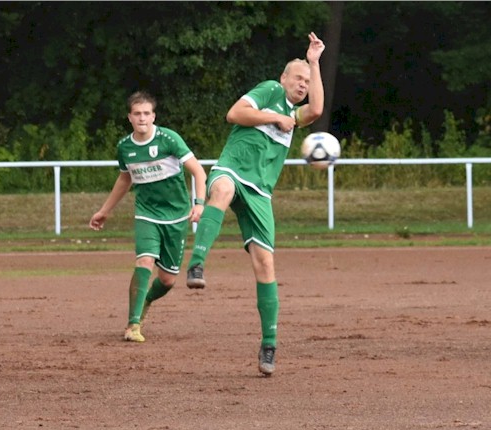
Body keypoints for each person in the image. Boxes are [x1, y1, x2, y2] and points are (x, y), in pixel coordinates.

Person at [185, 32, 326, 376]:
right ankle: (197, 265)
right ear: (283, 79)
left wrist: (315, 62)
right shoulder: (271, 92)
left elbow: (318, 110)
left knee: (265, 265)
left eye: (307, 81)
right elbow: (234, 114)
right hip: (232, 169)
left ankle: (269, 345)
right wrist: (272, 117)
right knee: (220, 192)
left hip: (261, 192)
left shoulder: (295, 116)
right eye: (298, 78)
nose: (303, 84)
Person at [90, 91, 207, 343]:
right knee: (144, 261)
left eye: (146, 113)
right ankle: (133, 324)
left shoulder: (169, 139)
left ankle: (147, 300)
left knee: (167, 280)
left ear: (153, 116)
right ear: (129, 117)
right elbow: (125, 178)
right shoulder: (125, 147)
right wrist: (104, 211)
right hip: (146, 213)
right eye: (137, 114)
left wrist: (198, 204)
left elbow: (199, 172)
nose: (142, 118)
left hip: (176, 216)